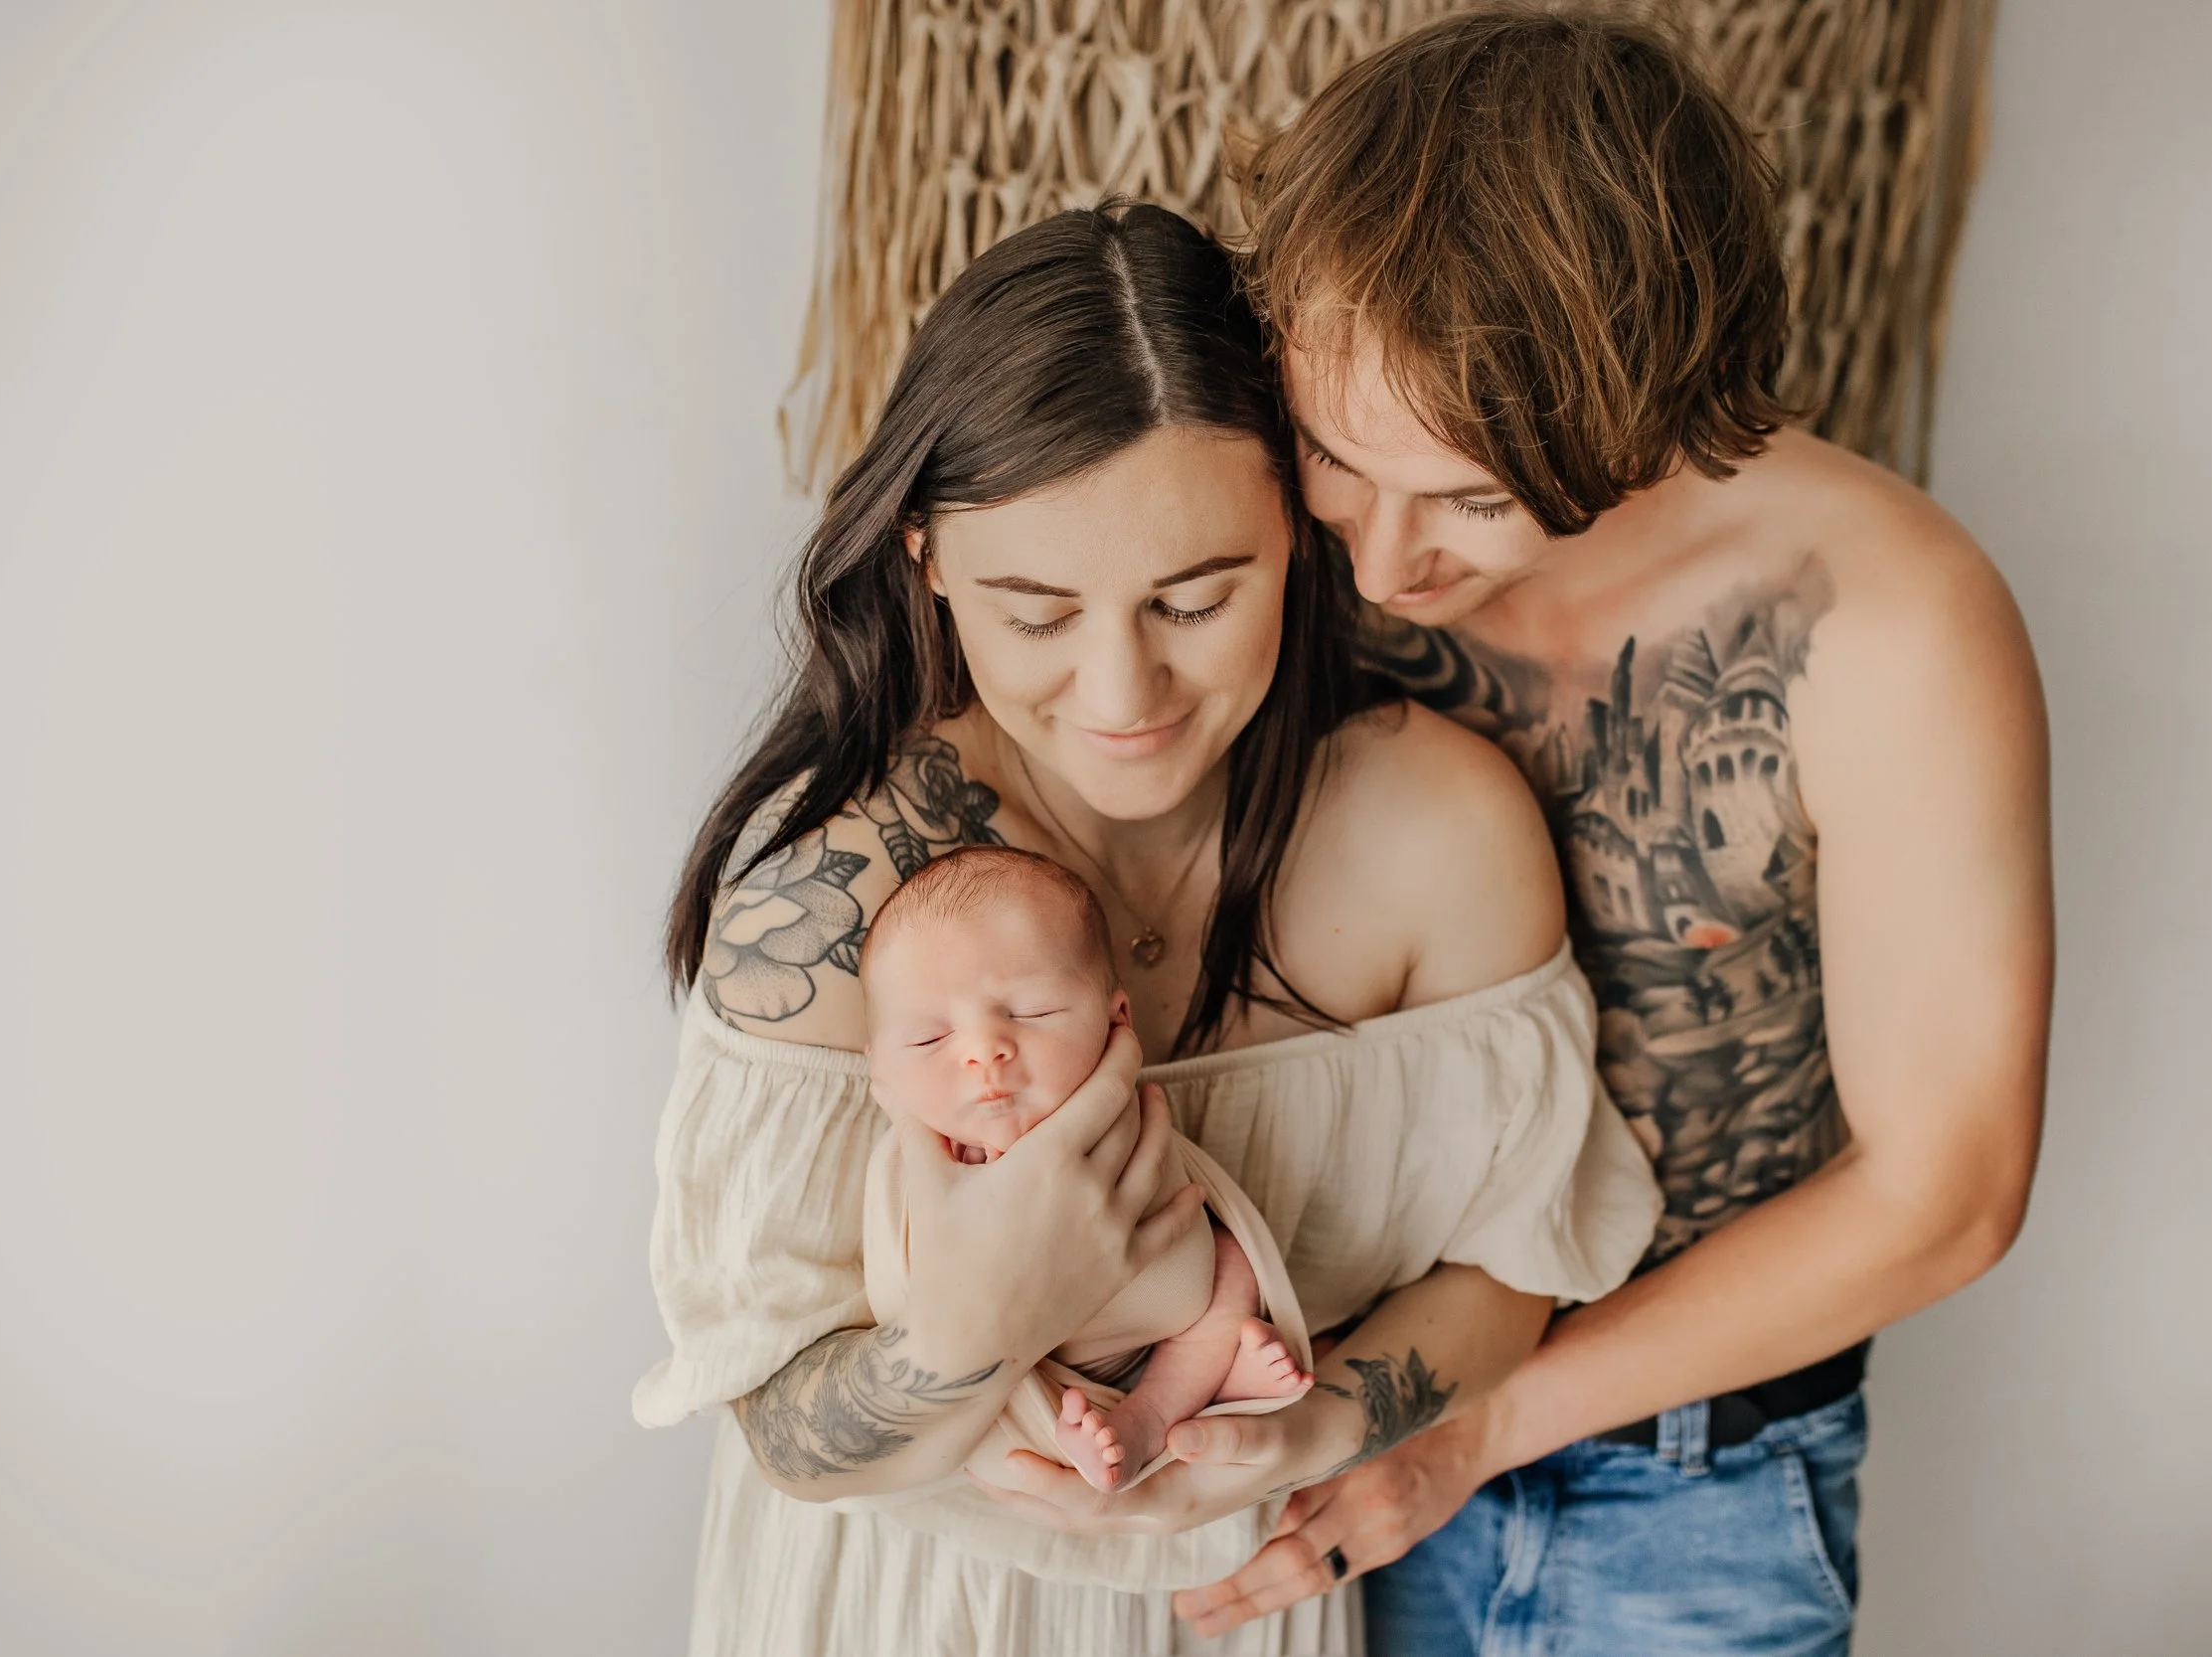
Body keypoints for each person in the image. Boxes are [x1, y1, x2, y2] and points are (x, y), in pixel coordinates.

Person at [631, 201, 1662, 1656]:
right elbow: (782, 1425)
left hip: (1242, 1602)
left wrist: (1307, 1428)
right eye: (1036, 609)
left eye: (1196, 595)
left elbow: (1514, 1260)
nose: (1125, 690)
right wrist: (965, 1331)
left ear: (1301, 535)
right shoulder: (832, 904)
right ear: (924, 557)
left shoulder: (1443, 837)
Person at [1176, 10, 2054, 1653]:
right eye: (1338, 467)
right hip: (1287, 1451)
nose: (1377, 568)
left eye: (1473, 498)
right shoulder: (1266, 520)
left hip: (1683, 1496)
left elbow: (1950, 1187)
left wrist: (1474, 1430)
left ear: (1653, 394)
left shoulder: (1885, 621)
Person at [856, 843, 1313, 1495]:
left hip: (1173, 1302)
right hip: (1029, 1363)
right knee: (995, 1425)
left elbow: (1174, 1183)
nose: (986, 1051)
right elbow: (910, 1292)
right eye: (930, 1038)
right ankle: (1119, 1425)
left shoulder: (1119, 1108)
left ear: (1115, 1019)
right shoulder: (923, 1164)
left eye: (1032, 1012)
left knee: (1238, 1261)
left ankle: (1172, 1397)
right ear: (880, 1071)